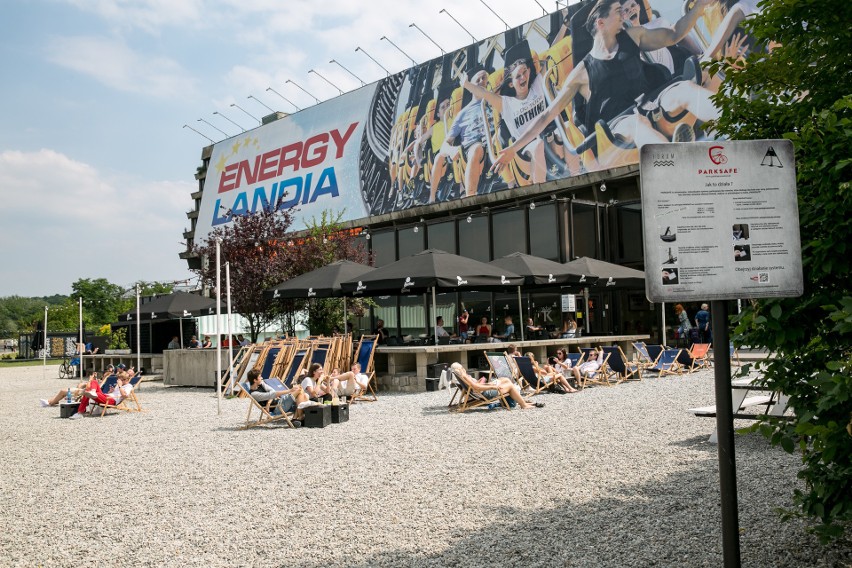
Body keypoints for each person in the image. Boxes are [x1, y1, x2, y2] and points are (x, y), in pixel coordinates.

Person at [492, 0, 717, 174]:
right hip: (618, 123)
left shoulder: (633, 36)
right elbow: (547, 115)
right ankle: (680, 164)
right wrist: (513, 149)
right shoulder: (581, 72)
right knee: (638, 124)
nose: (625, 14)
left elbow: (675, 34)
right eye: (618, 11)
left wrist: (699, 7)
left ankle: (730, 123)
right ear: (601, 23)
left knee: (684, 88)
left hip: (651, 100)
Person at [461, 40, 549, 184]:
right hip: (524, 148)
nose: (523, 77)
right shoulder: (506, 103)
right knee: (538, 144)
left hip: (547, 138)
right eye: (518, 76)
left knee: (564, 129)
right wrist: (466, 84)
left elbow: (549, 59)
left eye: (525, 72)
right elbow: (484, 94)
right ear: (511, 83)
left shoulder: (538, 84)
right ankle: (540, 188)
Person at [430, 67, 490, 201]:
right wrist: (451, 150)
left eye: (484, 78)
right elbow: (445, 144)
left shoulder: (495, 99)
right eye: (477, 80)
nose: (481, 81)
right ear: (470, 87)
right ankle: (468, 199)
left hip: (494, 143)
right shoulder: (462, 114)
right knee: (475, 149)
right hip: (473, 148)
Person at [450, 363, 543, 409]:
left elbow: (472, 387)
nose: (463, 368)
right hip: (486, 393)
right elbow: (476, 387)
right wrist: (493, 387)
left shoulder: (462, 377)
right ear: (460, 369)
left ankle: (521, 401)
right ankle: (523, 404)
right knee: (510, 385)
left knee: (504, 379)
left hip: (482, 391)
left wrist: (488, 383)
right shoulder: (465, 377)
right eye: (462, 367)